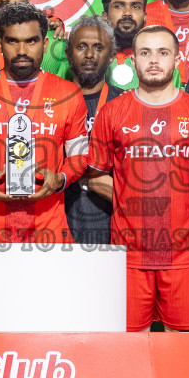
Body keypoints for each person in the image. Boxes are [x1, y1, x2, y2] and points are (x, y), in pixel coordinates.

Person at [87, 24, 189, 331]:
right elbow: (96, 177)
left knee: (185, 347)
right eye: (145, 53)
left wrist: (184, 208)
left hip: (184, 254)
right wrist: (130, 200)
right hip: (130, 256)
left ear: (177, 60)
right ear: (132, 61)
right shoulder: (112, 113)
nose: (153, 60)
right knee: (130, 348)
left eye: (163, 53)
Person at [0, 3, 87, 244]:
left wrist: (61, 178)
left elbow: (80, 155)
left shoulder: (68, 94)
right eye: (12, 41)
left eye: (31, 41)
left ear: (46, 44)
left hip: (48, 230)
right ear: (0, 44)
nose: (22, 50)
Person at [63, 15, 124, 246]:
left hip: (113, 224)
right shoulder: (51, 103)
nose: (89, 55)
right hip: (60, 224)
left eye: (98, 48)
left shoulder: (126, 104)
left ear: (111, 57)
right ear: (68, 53)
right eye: (81, 47)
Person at [101, 0, 149, 89]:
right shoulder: (88, 58)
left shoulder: (160, 62)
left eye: (135, 6)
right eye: (118, 6)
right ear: (105, 16)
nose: (127, 13)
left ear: (145, 17)